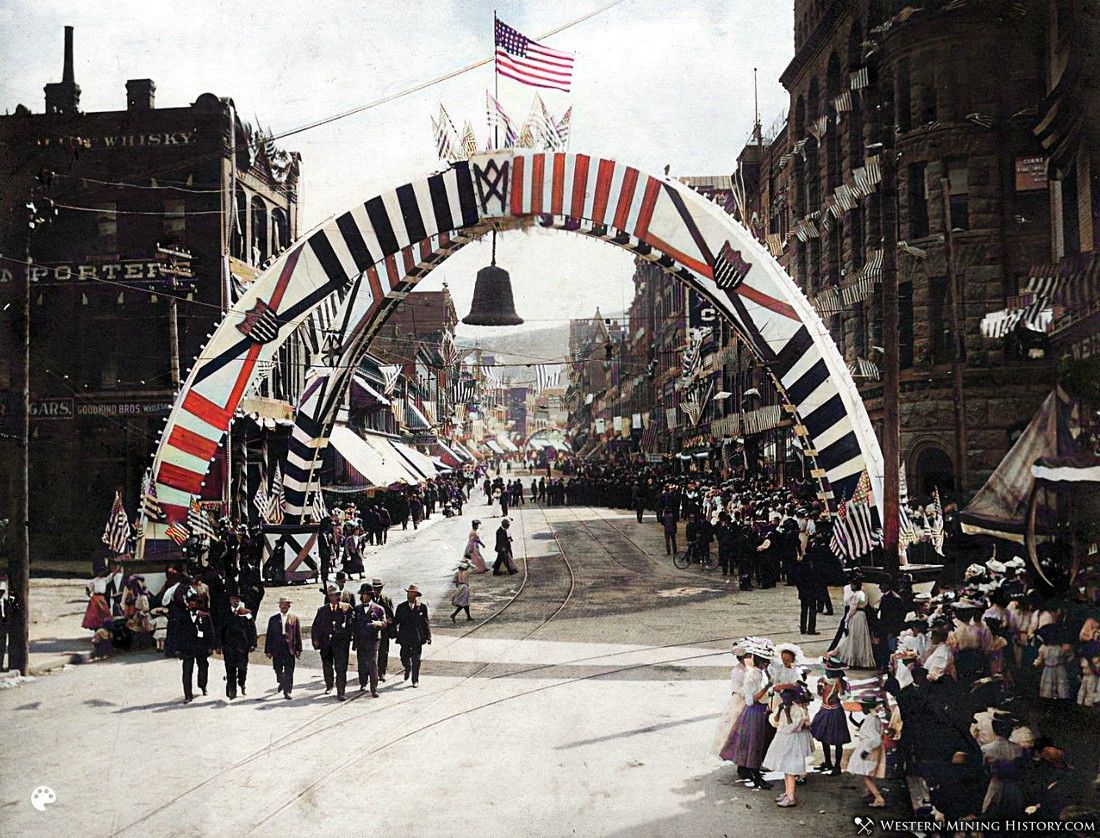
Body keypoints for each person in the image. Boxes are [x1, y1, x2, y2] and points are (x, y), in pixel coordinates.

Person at [728, 646, 777, 790]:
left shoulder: (760, 673)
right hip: (754, 712)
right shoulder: (753, 676)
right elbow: (750, 700)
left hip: (760, 710)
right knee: (755, 743)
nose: (767, 664)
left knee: (757, 742)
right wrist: (766, 688)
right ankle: (756, 777)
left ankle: (752, 772)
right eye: (765, 661)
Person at [763, 686, 814, 807]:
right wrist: (780, 711)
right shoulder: (781, 707)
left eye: (787, 698)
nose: (784, 700)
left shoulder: (798, 710)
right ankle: (787, 792)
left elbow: (794, 728)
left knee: (790, 769)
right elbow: (774, 722)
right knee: (785, 768)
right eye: (783, 697)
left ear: (792, 698)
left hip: (791, 740)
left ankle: (791, 798)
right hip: (782, 738)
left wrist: (787, 713)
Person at [311, 584, 354, 700]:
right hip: (326, 644)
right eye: (334, 595)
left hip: (341, 644)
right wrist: (315, 640)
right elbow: (315, 627)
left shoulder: (347, 608)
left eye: (338, 594)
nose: (338, 597)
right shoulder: (322, 610)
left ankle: (341, 692)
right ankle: (329, 685)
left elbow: (352, 624)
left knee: (341, 668)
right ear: (330, 597)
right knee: (327, 666)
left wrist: (350, 637)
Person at [810, 655, 850, 775]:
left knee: (838, 740)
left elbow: (845, 698)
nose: (828, 673)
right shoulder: (823, 680)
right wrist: (819, 688)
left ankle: (837, 766)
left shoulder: (842, 683)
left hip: (835, 712)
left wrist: (840, 688)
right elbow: (819, 695)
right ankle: (827, 762)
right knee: (823, 737)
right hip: (824, 710)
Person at [845, 694, 886, 808]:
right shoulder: (874, 718)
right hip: (874, 748)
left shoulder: (869, 720)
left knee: (866, 774)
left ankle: (879, 798)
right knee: (868, 771)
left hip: (870, 749)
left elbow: (875, 739)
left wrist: (866, 751)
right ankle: (869, 790)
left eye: (863, 707)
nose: (861, 709)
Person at [716, 645, 752, 768]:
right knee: (738, 731)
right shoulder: (738, 670)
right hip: (740, 701)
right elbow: (737, 689)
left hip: (746, 698)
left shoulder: (748, 668)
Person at [219, 591, 256, 700]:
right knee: (230, 669)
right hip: (229, 646)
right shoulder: (225, 613)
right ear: (230, 600)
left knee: (242, 669)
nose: (235, 601)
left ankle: (242, 682)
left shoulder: (246, 612)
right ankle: (232, 691)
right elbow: (221, 630)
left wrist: (253, 643)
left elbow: (252, 628)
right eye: (233, 599)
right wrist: (219, 645)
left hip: (242, 646)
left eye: (237, 599)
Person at [264, 596, 302, 700]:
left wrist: (299, 649)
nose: (284, 606)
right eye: (282, 604)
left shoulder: (294, 618)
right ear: (279, 606)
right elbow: (269, 635)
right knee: (278, 668)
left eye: (286, 604)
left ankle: (287, 691)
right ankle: (282, 681)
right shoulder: (273, 619)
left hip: (289, 648)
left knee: (289, 670)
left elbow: (297, 634)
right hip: (277, 648)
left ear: (289, 606)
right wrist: (267, 650)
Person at [352, 583, 386, 697]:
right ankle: (363, 682)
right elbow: (353, 624)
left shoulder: (378, 608)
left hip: (373, 640)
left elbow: (384, 623)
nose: (362, 597)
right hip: (361, 640)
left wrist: (378, 623)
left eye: (364, 595)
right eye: (361, 594)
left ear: (370, 595)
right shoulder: (357, 609)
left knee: (372, 664)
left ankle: (374, 688)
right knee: (361, 663)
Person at [394, 584, 431, 686]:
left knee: (416, 659)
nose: (409, 595)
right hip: (405, 637)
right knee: (403, 656)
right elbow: (396, 621)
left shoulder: (422, 607)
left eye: (411, 593)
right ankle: (407, 667)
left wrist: (428, 636)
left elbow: (425, 622)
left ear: (416, 595)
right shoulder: (401, 607)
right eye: (408, 593)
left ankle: (415, 680)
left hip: (417, 637)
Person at [179, 592, 213, 703]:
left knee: (203, 667)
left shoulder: (205, 615)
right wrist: (178, 649)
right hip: (188, 647)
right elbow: (178, 633)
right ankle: (188, 695)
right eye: (190, 602)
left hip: (201, 646)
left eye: (195, 602)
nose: (192, 604)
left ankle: (203, 685)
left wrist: (210, 646)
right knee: (187, 671)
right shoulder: (182, 616)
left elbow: (210, 632)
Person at [834, 579, 876, 669]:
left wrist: (846, 620)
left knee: (853, 637)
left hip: (856, 616)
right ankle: (862, 661)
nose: (851, 587)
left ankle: (852, 660)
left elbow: (852, 609)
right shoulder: (864, 592)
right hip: (862, 616)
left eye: (852, 585)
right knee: (861, 638)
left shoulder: (856, 595)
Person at [372, 578, 396, 682]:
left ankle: (382, 672)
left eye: (379, 588)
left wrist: (386, 622)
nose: (377, 591)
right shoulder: (368, 599)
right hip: (371, 631)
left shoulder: (386, 600)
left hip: (384, 630)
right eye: (375, 588)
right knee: (371, 652)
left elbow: (392, 616)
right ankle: (372, 671)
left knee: (383, 651)